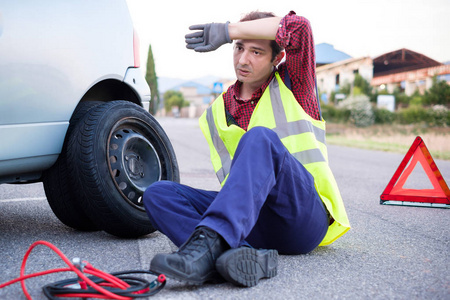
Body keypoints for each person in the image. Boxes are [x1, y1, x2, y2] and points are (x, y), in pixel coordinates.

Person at [143, 10, 350, 287]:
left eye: (256, 51)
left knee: (259, 137)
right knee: (158, 194)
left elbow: (299, 28)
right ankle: (235, 258)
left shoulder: (296, 86)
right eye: (239, 47)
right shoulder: (217, 110)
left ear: (277, 57)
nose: (243, 59)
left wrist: (228, 30)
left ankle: (209, 249)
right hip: (250, 224)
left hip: (301, 217)